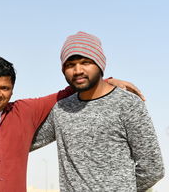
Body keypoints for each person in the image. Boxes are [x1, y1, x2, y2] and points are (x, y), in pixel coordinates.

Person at [0, 56, 140, 192]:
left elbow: (64, 94)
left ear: (12, 90)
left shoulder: (25, 111)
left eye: (5, 88)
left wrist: (106, 82)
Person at [32, 31, 165, 191]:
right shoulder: (61, 109)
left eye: (85, 62)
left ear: (100, 64)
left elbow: (153, 168)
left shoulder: (127, 104)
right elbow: (23, 143)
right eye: (70, 65)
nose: (78, 70)